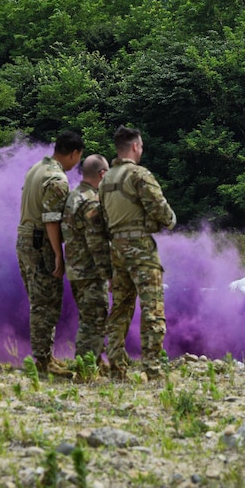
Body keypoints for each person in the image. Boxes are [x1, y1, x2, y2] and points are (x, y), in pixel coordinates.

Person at [100, 126, 176, 380]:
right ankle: (153, 368)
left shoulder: (106, 180)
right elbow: (160, 209)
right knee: (152, 307)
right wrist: (170, 221)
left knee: (120, 309)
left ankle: (117, 367)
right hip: (140, 249)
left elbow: (103, 219)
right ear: (134, 146)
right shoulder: (139, 175)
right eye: (141, 146)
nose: (141, 150)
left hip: (116, 250)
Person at [17, 130, 84, 376]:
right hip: (40, 243)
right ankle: (43, 362)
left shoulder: (36, 168)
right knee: (45, 304)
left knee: (39, 302)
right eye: (78, 157)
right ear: (74, 153)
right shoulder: (57, 179)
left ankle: (46, 357)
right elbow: (52, 220)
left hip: (24, 239)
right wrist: (58, 253)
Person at [63, 153, 112, 367]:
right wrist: (109, 274)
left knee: (89, 316)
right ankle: (85, 367)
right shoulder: (91, 201)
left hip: (75, 268)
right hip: (90, 270)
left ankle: (97, 361)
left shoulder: (74, 196)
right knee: (94, 319)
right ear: (102, 174)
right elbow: (97, 242)